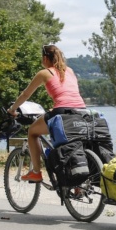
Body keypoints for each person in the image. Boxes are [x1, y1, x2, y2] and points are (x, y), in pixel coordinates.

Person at [7, 45, 86, 182]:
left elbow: (26, 94)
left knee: (32, 132)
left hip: (61, 111)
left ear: (45, 58)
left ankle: (36, 172)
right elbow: (69, 94)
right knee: (71, 144)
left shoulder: (44, 73)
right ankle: (77, 186)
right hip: (81, 111)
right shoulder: (70, 71)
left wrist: (13, 109)